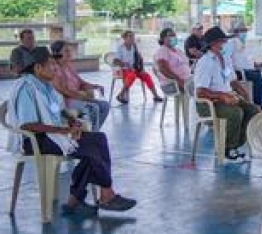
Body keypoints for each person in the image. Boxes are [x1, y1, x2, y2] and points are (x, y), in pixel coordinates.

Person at [8, 47, 136, 216]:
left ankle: (78, 200)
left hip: (52, 135)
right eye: (51, 64)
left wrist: (71, 121)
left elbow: (56, 109)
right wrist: (63, 131)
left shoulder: (45, 86)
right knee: (92, 150)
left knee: (99, 140)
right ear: (38, 68)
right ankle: (105, 195)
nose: (55, 68)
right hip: (36, 140)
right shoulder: (27, 87)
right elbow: (27, 125)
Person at [194, 26, 260, 159]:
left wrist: (246, 96)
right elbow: (200, 92)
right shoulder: (205, 62)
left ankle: (235, 145)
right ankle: (226, 149)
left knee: (252, 110)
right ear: (213, 44)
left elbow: (233, 81)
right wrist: (221, 96)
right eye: (222, 41)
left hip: (227, 98)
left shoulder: (226, 59)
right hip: (208, 103)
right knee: (236, 113)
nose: (225, 43)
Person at [50, 40, 110, 132]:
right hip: (66, 101)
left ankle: (93, 132)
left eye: (69, 50)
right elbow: (61, 89)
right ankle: (92, 135)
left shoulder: (68, 66)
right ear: (57, 53)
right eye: (66, 51)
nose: (69, 53)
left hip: (78, 97)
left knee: (105, 105)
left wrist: (95, 86)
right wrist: (82, 97)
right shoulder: (54, 68)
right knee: (93, 108)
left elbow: (81, 83)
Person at [113, 30, 163, 104]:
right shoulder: (121, 48)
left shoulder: (134, 47)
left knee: (146, 76)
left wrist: (142, 69)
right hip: (124, 70)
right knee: (132, 76)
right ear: (125, 38)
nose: (132, 38)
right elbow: (115, 61)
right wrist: (124, 64)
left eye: (133, 36)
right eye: (130, 36)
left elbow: (140, 59)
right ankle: (121, 94)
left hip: (135, 69)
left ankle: (155, 96)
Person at [230, 24, 262, 110]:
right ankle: (259, 104)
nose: (244, 33)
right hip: (238, 71)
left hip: (248, 69)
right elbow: (230, 60)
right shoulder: (232, 42)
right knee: (259, 77)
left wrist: (256, 64)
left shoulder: (243, 43)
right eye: (242, 31)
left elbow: (247, 59)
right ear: (237, 32)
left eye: (245, 31)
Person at [154, 28, 192, 93]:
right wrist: (179, 80)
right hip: (172, 83)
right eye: (171, 35)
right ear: (163, 39)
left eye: (174, 35)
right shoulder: (163, 50)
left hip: (187, 79)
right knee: (201, 89)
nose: (173, 37)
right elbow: (163, 69)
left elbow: (186, 64)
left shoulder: (178, 50)